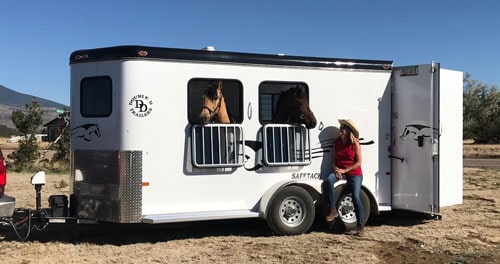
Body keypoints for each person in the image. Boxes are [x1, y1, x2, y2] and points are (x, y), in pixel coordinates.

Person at [324, 119, 365, 236]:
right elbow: (333, 160)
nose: (340, 129)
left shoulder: (355, 143)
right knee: (329, 181)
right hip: (341, 172)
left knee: (356, 197)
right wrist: (337, 169)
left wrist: (344, 170)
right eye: (340, 127)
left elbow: (359, 162)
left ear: (348, 131)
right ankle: (333, 210)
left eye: (343, 128)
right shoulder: (337, 142)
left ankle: (360, 226)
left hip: (355, 174)